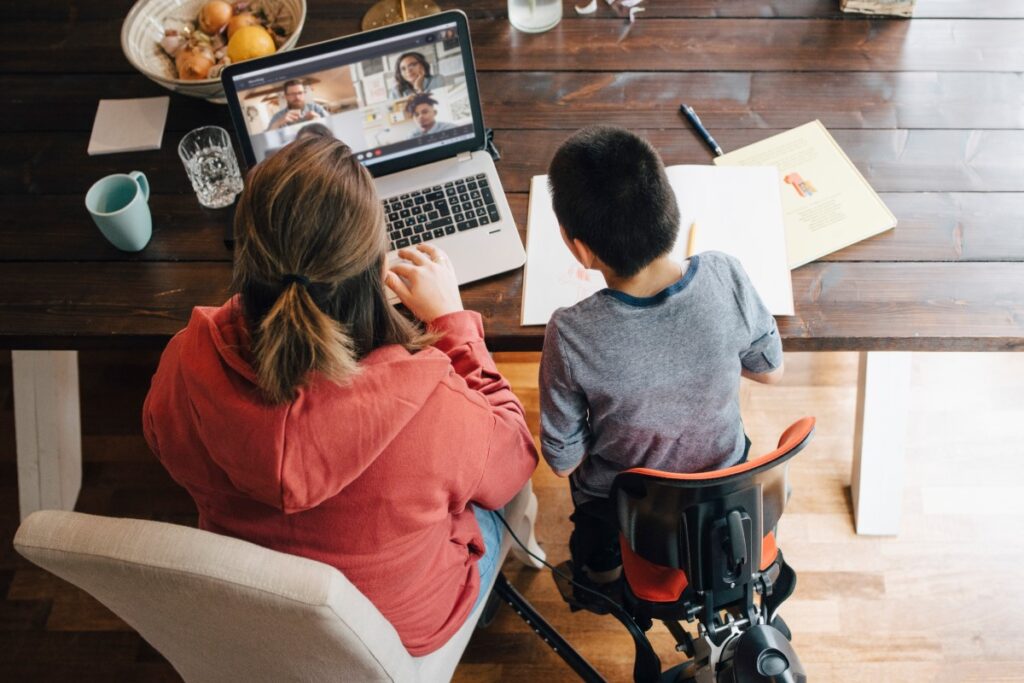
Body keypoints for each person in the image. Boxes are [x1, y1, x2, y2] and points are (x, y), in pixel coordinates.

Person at [142, 135, 538, 655]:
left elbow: (166, 446)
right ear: (377, 268)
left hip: (259, 613)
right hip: (401, 630)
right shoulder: (431, 405)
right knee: (495, 489)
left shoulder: (181, 362)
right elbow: (517, 457)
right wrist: (453, 324)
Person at [539, 126, 784, 610]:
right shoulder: (725, 274)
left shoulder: (570, 333)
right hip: (727, 488)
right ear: (670, 210)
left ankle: (604, 570)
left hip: (630, 511)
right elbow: (770, 369)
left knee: (593, 519)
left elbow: (563, 459)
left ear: (580, 249)